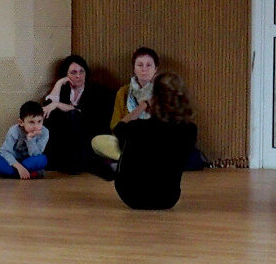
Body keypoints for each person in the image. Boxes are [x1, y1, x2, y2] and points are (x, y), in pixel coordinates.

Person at [114, 73, 199, 211]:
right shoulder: (190, 130)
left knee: (122, 143)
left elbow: (119, 128)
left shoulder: (139, 127)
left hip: (131, 196)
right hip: (168, 198)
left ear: (155, 98)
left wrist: (142, 106)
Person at [40, 55, 110, 173]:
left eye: (81, 71)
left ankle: (74, 162)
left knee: (72, 116)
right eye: (73, 72)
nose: (78, 76)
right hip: (64, 137)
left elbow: (85, 115)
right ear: (66, 75)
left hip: (88, 133)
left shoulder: (97, 92)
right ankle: (56, 160)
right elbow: (47, 108)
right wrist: (59, 83)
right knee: (52, 115)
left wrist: (58, 105)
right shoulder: (64, 90)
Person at [93, 47, 160, 164]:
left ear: (156, 69)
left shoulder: (163, 91)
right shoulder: (123, 92)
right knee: (97, 141)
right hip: (129, 138)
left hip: (154, 139)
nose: (144, 69)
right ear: (134, 68)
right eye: (140, 65)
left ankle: (131, 161)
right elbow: (115, 126)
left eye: (148, 65)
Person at [0, 101, 51, 179]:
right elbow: (5, 151)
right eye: (31, 122)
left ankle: (8, 174)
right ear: (21, 122)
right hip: (12, 162)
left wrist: (30, 140)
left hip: (28, 162)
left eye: (39, 121)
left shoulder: (44, 132)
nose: (36, 126)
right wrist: (19, 167)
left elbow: (37, 155)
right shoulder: (14, 131)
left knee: (42, 159)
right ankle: (23, 174)